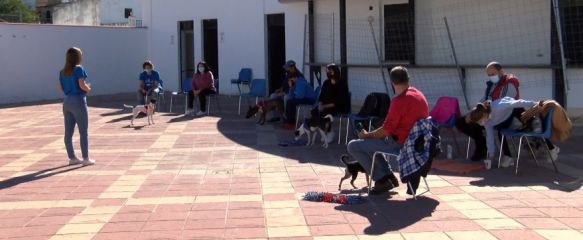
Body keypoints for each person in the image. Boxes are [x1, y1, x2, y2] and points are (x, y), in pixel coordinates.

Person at [347, 66, 429, 195]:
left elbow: (386, 130)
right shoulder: (419, 94)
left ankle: (381, 179)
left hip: (401, 145)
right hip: (417, 144)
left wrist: (367, 135)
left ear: (392, 82)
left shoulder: (399, 101)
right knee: (375, 140)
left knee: (353, 145)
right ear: (408, 79)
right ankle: (389, 176)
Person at [467, 97, 560, 167]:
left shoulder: (498, 106)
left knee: (519, 110)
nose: (480, 124)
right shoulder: (487, 122)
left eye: (480, 121)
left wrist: (536, 104)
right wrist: (490, 156)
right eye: (478, 123)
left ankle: (535, 125)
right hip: (503, 120)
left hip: (511, 110)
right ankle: (508, 157)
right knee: (500, 132)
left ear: (484, 114)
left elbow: (518, 102)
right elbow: (490, 138)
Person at [456, 62, 520, 161]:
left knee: (476, 123)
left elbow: (503, 104)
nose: (491, 77)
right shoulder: (492, 85)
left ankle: (484, 150)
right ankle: (482, 146)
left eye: (493, 74)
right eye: (489, 75)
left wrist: (481, 115)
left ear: (501, 72)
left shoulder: (509, 84)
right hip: (488, 113)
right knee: (460, 122)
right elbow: (483, 99)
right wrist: (473, 112)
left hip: (502, 116)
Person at [58, 47, 95, 166]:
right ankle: (85, 158)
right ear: (77, 57)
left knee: (68, 133)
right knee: (83, 131)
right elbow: (81, 84)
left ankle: (72, 157)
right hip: (78, 100)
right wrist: (88, 88)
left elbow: (59, 89)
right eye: (80, 54)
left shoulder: (62, 71)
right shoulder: (79, 69)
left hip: (67, 101)